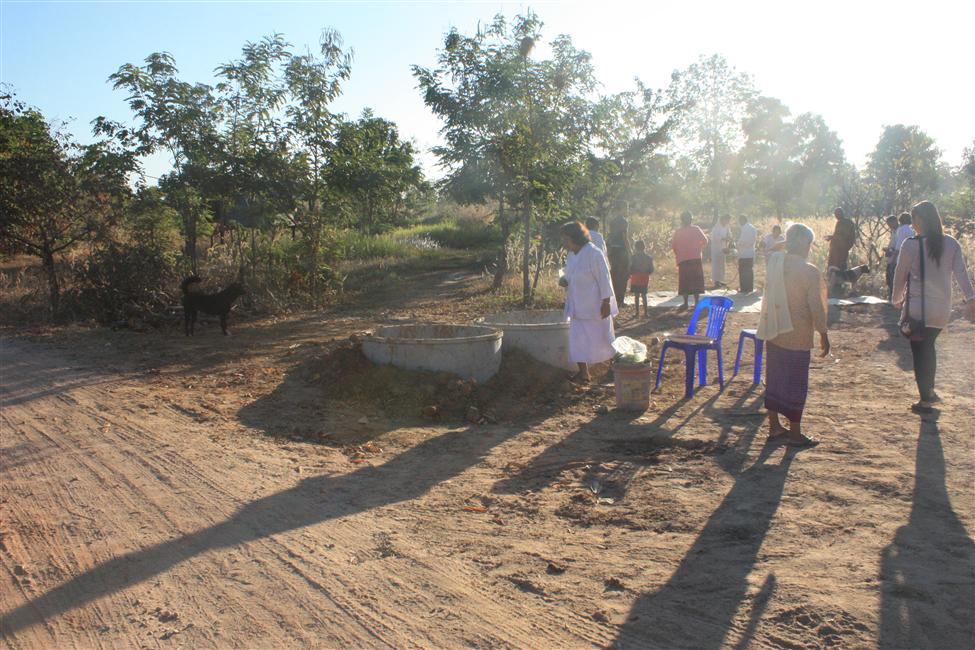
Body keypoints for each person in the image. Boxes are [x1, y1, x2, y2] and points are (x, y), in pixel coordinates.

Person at [891, 201, 975, 413]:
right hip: (941, 310)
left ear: (919, 219)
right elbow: (961, 275)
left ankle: (925, 399)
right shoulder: (951, 244)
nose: (912, 225)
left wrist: (896, 299)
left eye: (913, 220)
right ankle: (930, 392)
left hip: (919, 310)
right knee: (929, 347)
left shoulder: (911, 244)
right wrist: (970, 298)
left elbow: (900, 274)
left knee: (920, 352)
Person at [757, 223, 830, 447]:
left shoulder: (775, 263)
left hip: (775, 330)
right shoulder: (809, 271)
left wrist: (786, 243)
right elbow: (815, 306)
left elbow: (771, 250)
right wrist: (824, 333)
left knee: (775, 380)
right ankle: (795, 433)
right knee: (796, 383)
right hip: (798, 334)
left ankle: (774, 427)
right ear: (806, 244)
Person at [560, 221, 619, 384]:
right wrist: (564, 280)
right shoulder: (572, 256)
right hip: (577, 305)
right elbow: (569, 275)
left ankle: (615, 368)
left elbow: (605, 279)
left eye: (565, 239)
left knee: (605, 338)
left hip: (596, 306)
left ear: (574, 238)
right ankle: (584, 373)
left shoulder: (594, 253)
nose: (564, 242)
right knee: (577, 340)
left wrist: (606, 302)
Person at [672, 211, 708, 310]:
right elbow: (705, 241)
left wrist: (679, 255)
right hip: (695, 258)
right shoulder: (696, 229)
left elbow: (674, 246)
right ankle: (696, 302)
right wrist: (698, 248)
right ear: (691, 220)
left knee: (685, 281)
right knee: (696, 281)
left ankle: (685, 303)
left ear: (681, 220)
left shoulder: (678, 232)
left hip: (683, 260)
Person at [826, 207, 857, 292]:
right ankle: (837, 287)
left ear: (842, 213)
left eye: (837, 214)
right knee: (837, 268)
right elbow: (840, 236)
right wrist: (832, 237)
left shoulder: (845, 223)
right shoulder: (844, 222)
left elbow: (843, 237)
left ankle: (838, 287)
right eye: (835, 214)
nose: (836, 216)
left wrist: (832, 237)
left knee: (838, 268)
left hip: (840, 251)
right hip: (837, 250)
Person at [606, 217, 631, 303]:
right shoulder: (623, 222)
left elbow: (608, 242)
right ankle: (621, 300)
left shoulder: (612, 224)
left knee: (614, 276)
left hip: (613, 253)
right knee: (623, 277)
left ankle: (614, 299)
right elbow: (625, 239)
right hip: (622, 253)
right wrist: (630, 252)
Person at [628, 240, 654, 318]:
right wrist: (646, 273)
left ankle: (637, 313)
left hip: (635, 277)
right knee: (644, 295)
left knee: (636, 296)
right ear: (644, 247)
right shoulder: (649, 258)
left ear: (635, 248)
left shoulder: (633, 257)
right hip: (644, 277)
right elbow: (651, 269)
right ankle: (646, 313)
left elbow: (630, 268)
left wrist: (630, 273)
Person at [709, 214, 733, 288]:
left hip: (723, 248)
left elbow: (730, 235)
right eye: (727, 220)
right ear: (723, 219)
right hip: (716, 248)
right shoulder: (716, 228)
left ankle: (721, 281)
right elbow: (715, 237)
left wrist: (729, 238)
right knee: (716, 265)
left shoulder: (727, 227)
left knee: (722, 265)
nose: (728, 222)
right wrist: (724, 238)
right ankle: (716, 281)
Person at [736, 215, 758, 293]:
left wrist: (736, 244)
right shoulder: (753, 228)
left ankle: (744, 289)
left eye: (739, 221)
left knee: (743, 272)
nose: (739, 223)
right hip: (750, 253)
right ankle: (749, 288)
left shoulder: (745, 229)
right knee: (749, 271)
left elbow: (743, 241)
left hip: (743, 253)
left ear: (742, 220)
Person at [883, 215, 900, 299]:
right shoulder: (893, 231)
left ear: (895, 221)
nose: (888, 225)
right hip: (891, 257)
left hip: (896, 258)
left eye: (889, 223)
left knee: (893, 278)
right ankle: (890, 296)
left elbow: (898, 246)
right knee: (889, 278)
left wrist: (891, 251)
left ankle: (894, 297)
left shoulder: (900, 231)